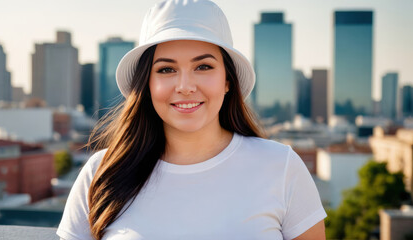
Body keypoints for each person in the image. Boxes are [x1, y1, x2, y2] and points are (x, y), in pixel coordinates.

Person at [57, 0, 327, 239]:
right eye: (166, 69)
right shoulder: (100, 173)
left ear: (228, 81)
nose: (185, 86)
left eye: (203, 66)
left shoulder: (281, 167)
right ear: (146, 84)